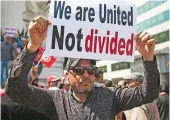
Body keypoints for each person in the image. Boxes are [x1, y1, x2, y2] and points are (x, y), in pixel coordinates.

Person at [6, 16, 160, 120]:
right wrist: (32, 46)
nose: (85, 74)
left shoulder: (111, 96)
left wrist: (148, 58)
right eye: (79, 70)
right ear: (67, 76)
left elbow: (149, 93)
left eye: (91, 70)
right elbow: (15, 90)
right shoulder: (55, 100)